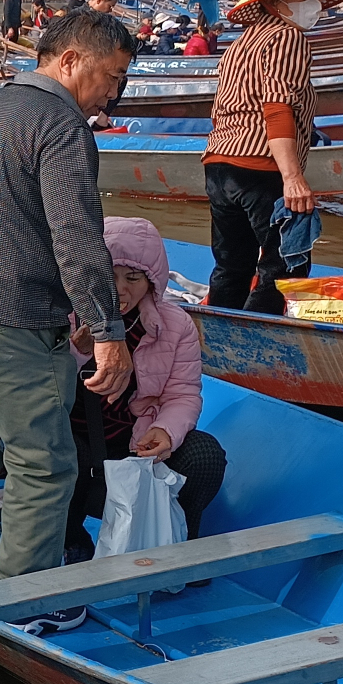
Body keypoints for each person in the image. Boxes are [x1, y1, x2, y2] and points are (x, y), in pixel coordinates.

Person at [0, 8, 135, 626]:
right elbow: (78, 237)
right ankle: (23, 599)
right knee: (42, 462)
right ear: (69, 60)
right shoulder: (62, 125)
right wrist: (108, 330)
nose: (113, 93)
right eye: (111, 75)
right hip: (15, 318)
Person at [65, 217, 229, 562]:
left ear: (151, 280)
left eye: (133, 278)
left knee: (205, 454)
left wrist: (164, 432)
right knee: (61, 453)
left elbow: (182, 394)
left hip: (133, 448)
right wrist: (78, 352)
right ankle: (69, 536)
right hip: (78, 457)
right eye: (108, 275)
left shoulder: (175, 325)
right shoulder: (65, 316)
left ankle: (180, 541)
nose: (120, 290)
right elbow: (39, 388)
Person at [202, 0, 343, 313]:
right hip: (261, 165)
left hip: (220, 163)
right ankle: (262, 343)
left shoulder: (241, 43)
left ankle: (221, 339)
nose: (313, 4)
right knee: (284, 265)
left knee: (231, 265)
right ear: (274, 2)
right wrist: (293, 178)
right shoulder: (288, 36)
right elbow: (277, 108)